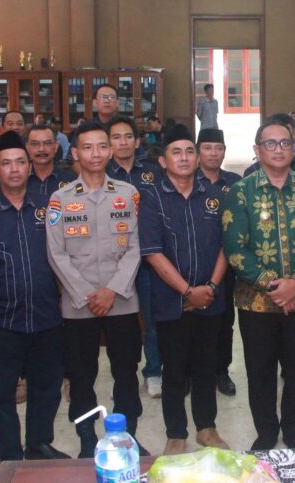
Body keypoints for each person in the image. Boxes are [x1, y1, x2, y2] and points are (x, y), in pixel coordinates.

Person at [222, 119, 295, 450]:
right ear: (257, 150)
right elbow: (234, 249)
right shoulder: (241, 192)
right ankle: (267, 432)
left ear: (293, 148)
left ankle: (294, 431)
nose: (278, 149)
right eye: (270, 143)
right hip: (256, 303)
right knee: (260, 371)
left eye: (285, 143)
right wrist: (276, 287)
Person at [0, 131, 69, 461]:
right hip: (1, 321)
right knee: (0, 394)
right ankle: (10, 457)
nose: (14, 169)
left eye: (20, 162)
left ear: (29, 167)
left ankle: (39, 444)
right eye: (6, 164)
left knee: (47, 387)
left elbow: (63, 257)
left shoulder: (48, 209)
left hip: (47, 317)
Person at [45, 120, 146, 457]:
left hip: (122, 300)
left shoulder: (128, 194)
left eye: (103, 146)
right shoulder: (60, 199)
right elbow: (56, 253)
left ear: (111, 150)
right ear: (75, 153)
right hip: (79, 304)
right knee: (81, 375)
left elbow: (136, 247)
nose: (96, 153)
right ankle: (87, 439)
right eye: (87, 147)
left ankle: (128, 437)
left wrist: (112, 290)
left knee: (126, 372)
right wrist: (87, 294)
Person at [139, 124, 229, 455]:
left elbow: (227, 246)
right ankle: (176, 433)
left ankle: (207, 428)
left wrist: (210, 287)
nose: (184, 157)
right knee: (174, 369)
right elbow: (152, 252)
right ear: (163, 161)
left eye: (190, 151)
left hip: (210, 298)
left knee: (207, 365)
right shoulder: (152, 199)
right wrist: (188, 291)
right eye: (176, 152)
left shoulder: (216, 196)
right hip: (170, 300)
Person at [106, 115, 164, 398]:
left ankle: (154, 371)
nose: (123, 142)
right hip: (114, 260)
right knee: (121, 324)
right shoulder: (102, 173)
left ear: (137, 141)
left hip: (149, 258)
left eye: (128, 136)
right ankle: (124, 376)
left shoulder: (153, 171)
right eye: (116, 137)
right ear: (108, 143)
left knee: (152, 319)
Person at [195, 128, 242, 396]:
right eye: (207, 148)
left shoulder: (235, 182)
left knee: (225, 320)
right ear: (198, 151)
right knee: (190, 320)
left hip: (227, 264)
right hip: (193, 260)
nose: (213, 153)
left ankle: (221, 371)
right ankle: (190, 372)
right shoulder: (188, 179)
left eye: (219, 148)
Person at [243, 114, 295, 182]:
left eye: (287, 133)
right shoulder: (252, 171)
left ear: (294, 135)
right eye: (271, 143)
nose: (278, 150)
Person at [25, 124, 77, 201]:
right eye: (35, 144)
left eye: (47, 143)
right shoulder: (20, 180)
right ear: (27, 148)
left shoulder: (71, 180)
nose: (41, 149)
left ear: (56, 147)